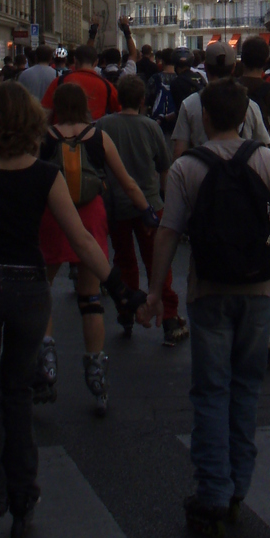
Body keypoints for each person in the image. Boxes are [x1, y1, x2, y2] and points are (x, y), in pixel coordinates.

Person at [0, 82, 148, 538]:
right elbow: (84, 240)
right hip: (27, 290)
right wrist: (119, 290)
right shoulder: (44, 177)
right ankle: (23, 496)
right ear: (30, 125)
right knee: (16, 396)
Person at [137, 78, 270, 537]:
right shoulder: (269, 160)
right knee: (246, 389)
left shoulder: (185, 168)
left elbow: (168, 234)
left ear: (204, 118)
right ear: (244, 118)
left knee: (210, 390)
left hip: (207, 289)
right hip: (262, 288)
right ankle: (239, 487)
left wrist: (155, 293)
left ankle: (212, 489)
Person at [34, 83, 152, 413]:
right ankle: (96, 373)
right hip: (90, 215)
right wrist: (146, 211)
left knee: (42, 286)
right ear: (84, 105)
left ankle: (46, 359)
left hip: (53, 213)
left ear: (56, 105)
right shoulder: (97, 135)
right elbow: (125, 180)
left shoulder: (44, 136)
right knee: (90, 297)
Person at [100, 75, 188, 345]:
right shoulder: (150, 127)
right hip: (150, 205)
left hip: (116, 206)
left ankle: (127, 310)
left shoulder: (103, 125)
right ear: (142, 100)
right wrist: (166, 199)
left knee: (124, 260)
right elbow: (164, 166)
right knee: (157, 263)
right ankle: (170, 319)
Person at [171, 43, 270, 157]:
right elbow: (263, 148)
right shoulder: (250, 105)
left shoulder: (189, 104)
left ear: (206, 67)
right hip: (242, 171)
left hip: (200, 171)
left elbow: (179, 151)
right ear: (233, 67)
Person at [41, 43, 120, 118]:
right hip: (93, 130)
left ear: (75, 60)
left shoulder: (60, 81)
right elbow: (120, 110)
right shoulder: (107, 86)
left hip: (62, 130)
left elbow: (45, 112)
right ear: (96, 62)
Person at [239, 35, 270, 152]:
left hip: (233, 158)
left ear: (242, 59)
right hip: (264, 156)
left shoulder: (229, 89)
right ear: (265, 61)